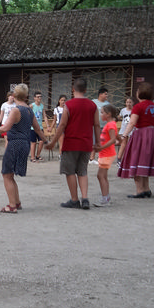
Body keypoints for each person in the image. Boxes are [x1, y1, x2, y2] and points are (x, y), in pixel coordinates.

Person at [46, 77, 100, 210]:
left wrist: (53, 142)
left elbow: (62, 125)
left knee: (70, 172)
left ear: (73, 89)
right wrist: (98, 142)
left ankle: (74, 199)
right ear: (85, 90)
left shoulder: (68, 105)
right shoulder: (92, 105)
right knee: (82, 171)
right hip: (86, 143)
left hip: (71, 143)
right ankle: (85, 198)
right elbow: (97, 125)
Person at [0, 83, 46, 213]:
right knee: (11, 175)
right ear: (26, 96)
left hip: (15, 143)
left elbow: (5, 127)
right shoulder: (29, 110)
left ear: (14, 95)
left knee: (6, 174)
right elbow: (38, 129)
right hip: (25, 144)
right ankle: (16, 201)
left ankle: (12, 205)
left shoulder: (16, 110)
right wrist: (46, 141)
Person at [116, 82, 154, 198]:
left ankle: (139, 190)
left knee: (135, 161)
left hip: (142, 134)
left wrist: (123, 136)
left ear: (139, 93)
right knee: (145, 162)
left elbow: (132, 122)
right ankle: (146, 189)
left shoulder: (138, 107)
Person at [93, 104, 119, 207]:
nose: (101, 114)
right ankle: (106, 196)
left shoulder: (110, 125)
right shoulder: (110, 124)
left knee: (100, 176)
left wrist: (102, 147)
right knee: (103, 176)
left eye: (102, 112)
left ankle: (105, 198)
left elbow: (113, 139)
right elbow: (116, 137)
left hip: (107, 154)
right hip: (105, 154)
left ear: (108, 114)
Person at [0, 91, 16, 161]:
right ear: (8, 97)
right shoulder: (4, 105)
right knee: (7, 140)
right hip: (5, 124)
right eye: (11, 96)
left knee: (13, 140)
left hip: (13, 124)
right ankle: (7, 155)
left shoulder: (15, 105)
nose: (12, 97)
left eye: (13, 96)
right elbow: (1, 115)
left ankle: (13, 154)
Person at [30, 91, 47, 161]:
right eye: (38, 97)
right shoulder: (32, 105)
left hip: (40, 127)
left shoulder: (42, 106)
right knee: (33, 142)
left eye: (40, 97)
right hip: (32, 127)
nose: (39, 98)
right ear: (34, 98)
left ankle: (38, 155)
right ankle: (32, 157)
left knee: (41, 141)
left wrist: (47, 125)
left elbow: (44, 116)